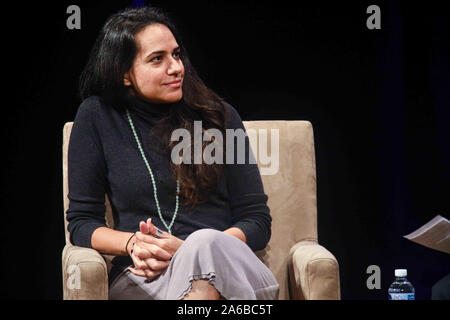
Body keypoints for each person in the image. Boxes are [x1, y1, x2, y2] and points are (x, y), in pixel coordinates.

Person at [66, 6, 279, 300]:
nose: (176, 67)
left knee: (204, 246)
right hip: (148, 276)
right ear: (124, 74)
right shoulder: (96, 118)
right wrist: (134, 244)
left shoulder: (220, 118)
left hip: (231, 272)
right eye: (157, 59)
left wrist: (194, 250)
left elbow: (257, 221)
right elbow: (82, 223)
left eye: (176, 55)